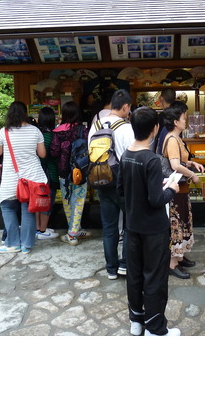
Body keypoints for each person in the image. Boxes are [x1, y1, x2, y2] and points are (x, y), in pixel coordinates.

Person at [117, 106, 181, 336]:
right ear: (155, 129)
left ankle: (137, 320)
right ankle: (155, 329)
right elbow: (157, 200)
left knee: (134, 275)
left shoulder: (126, 155)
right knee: (154, 277)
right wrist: (171, 188)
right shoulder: (152, 160)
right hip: (154, 229)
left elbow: (121, 191)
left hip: (132, 226)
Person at [89, 89, 135, 279]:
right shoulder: (126, 128)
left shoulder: (96, 124)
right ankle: (124, 264)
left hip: (101, 179)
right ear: (125, 107)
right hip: (121, 181)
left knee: (109, 227)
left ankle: (111, 269)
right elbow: (131, 155)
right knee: (129, 225)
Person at [0, 101, 47, 254]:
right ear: (25, 114)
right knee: (28, 210)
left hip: (12, 178)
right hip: (32, 177)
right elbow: (42, 154)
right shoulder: (35, 131)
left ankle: (12, 243)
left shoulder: (4, 132)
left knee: (7, 207)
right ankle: (27, 245)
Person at [162, 105, 205, 279]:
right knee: (177, 225)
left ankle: (179, 257)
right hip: (175, 190)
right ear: (175, 121)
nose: (185, 120)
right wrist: (193, 174)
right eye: (183, 118)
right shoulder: (172, 139)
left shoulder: (176, 138)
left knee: (183, 222)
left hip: (181, 189)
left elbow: (180, 161)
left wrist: (191, 164)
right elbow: (175, 165)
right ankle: (172, 263)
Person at [51, 101, 91, 245]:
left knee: (67, 201)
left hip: (63, 172)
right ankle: (73, 232)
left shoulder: (58, 131)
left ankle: (74, 230)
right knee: (79, 200)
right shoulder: (83, 130)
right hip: (80, 172)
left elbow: (54, 152)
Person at [35, 106, 60, 240]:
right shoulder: (51, 135)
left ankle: (38, 228)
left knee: (37, 201)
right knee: (47, 201)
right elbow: (48, 157)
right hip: (49, 173)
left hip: (36, 173)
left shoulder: (36, 134)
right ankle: (43, 230)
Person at [153, 87, 176, 154]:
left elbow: (157, 135)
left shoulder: (162, 116)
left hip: (163, 150)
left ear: (161, 98)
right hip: (174, 148)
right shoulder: (178, 114)